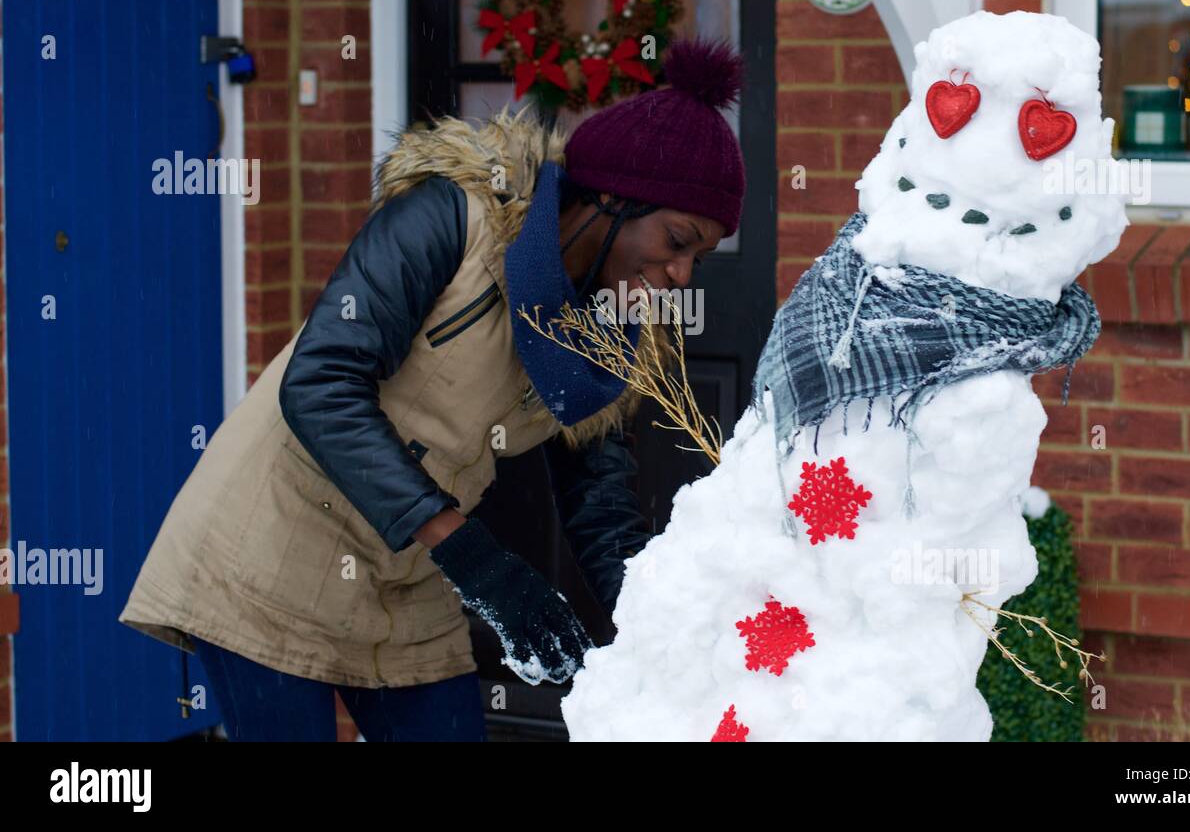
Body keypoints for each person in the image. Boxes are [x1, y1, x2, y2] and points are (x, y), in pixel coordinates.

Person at [118, 37, 747, 741]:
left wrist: (666, 630)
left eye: (700, 255)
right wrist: (478, 560)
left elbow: (596, 499)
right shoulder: (453, 219)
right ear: (610, 201)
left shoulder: (613, 330)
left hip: (410, 580)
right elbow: (322, 385)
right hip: (271, 552)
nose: (683, 275)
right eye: (678, 241)